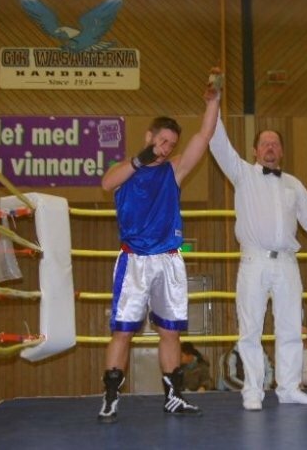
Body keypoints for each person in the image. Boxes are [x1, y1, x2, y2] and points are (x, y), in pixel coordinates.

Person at [209, 113, 307, 411]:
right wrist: (214, 106)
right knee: (250, 329)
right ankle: (252, 390)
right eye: (265, 143)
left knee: (291, 328)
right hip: (254, 261)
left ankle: (289, 387)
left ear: (282, 152)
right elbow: (219, 144)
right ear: (255, 151)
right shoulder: (243, 174)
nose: (270, 147)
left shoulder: (293, 185)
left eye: (275, 144)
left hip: (287, 263)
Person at [97, 70, 221, 423]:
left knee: (170, 331)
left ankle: (174, 397)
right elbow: (106, 183)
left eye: (170, 144)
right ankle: (110, 397)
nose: (166, 148)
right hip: (134, 260)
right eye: (162, 141)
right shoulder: (126, 170)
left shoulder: (174, 171)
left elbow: (204, 136)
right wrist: (140, 159)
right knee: (123, 331)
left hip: (168, 260)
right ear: (149, 136)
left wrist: (213, 102)